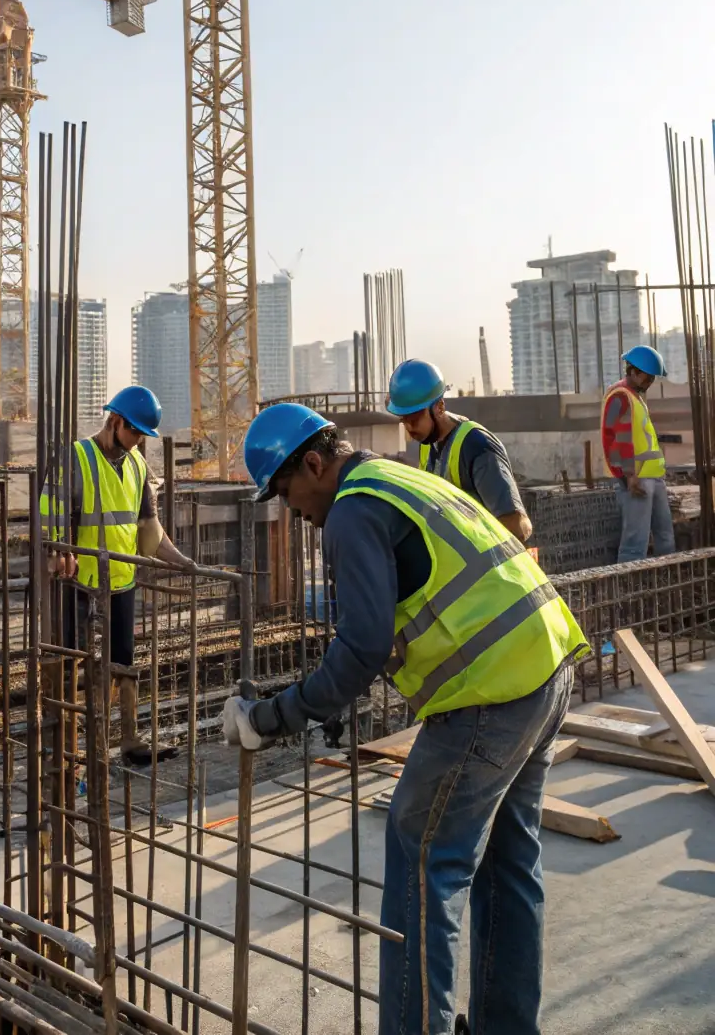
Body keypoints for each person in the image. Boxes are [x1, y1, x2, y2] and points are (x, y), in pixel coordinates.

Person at [223, 402, 588, 1035]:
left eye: (286, 491)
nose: (292, 511)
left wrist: (272, 716)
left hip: (490, 695)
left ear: (313, 463)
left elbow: (361, 646)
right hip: (548, 667)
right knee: (508, 863)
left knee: (422, 862)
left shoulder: (351, 510)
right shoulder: (401, 478)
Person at [41, 385, 192, 763]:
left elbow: (148, 529)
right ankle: (65, 749)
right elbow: (50, 513)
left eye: (143, 435)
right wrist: (60, 551)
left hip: (121, 580)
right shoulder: (75, 457)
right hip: (76, 581)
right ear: (115, 421)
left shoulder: (139, 465)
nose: (138, 441)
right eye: (135, 432)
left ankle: (129, 740)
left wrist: (183, 562)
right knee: (68, 660)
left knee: (123, 662)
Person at [386, 357, 532, 542]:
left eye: (414, 419)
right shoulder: (427, 445)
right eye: (403, 420)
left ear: (439, 407)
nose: (408, 428)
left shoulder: (477, 447)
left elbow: (518, 526)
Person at [601, 345, 675, 563]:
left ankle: (668, 579)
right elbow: (620, 438)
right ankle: (629, 589)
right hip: (637, 478)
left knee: (665, 536)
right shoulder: (621, 396)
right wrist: (629, 475)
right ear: (633, 371)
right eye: (647, 377)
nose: (650, 382)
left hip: (652, 476)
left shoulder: (635, 396)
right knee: (636, 541)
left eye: (652, 378)